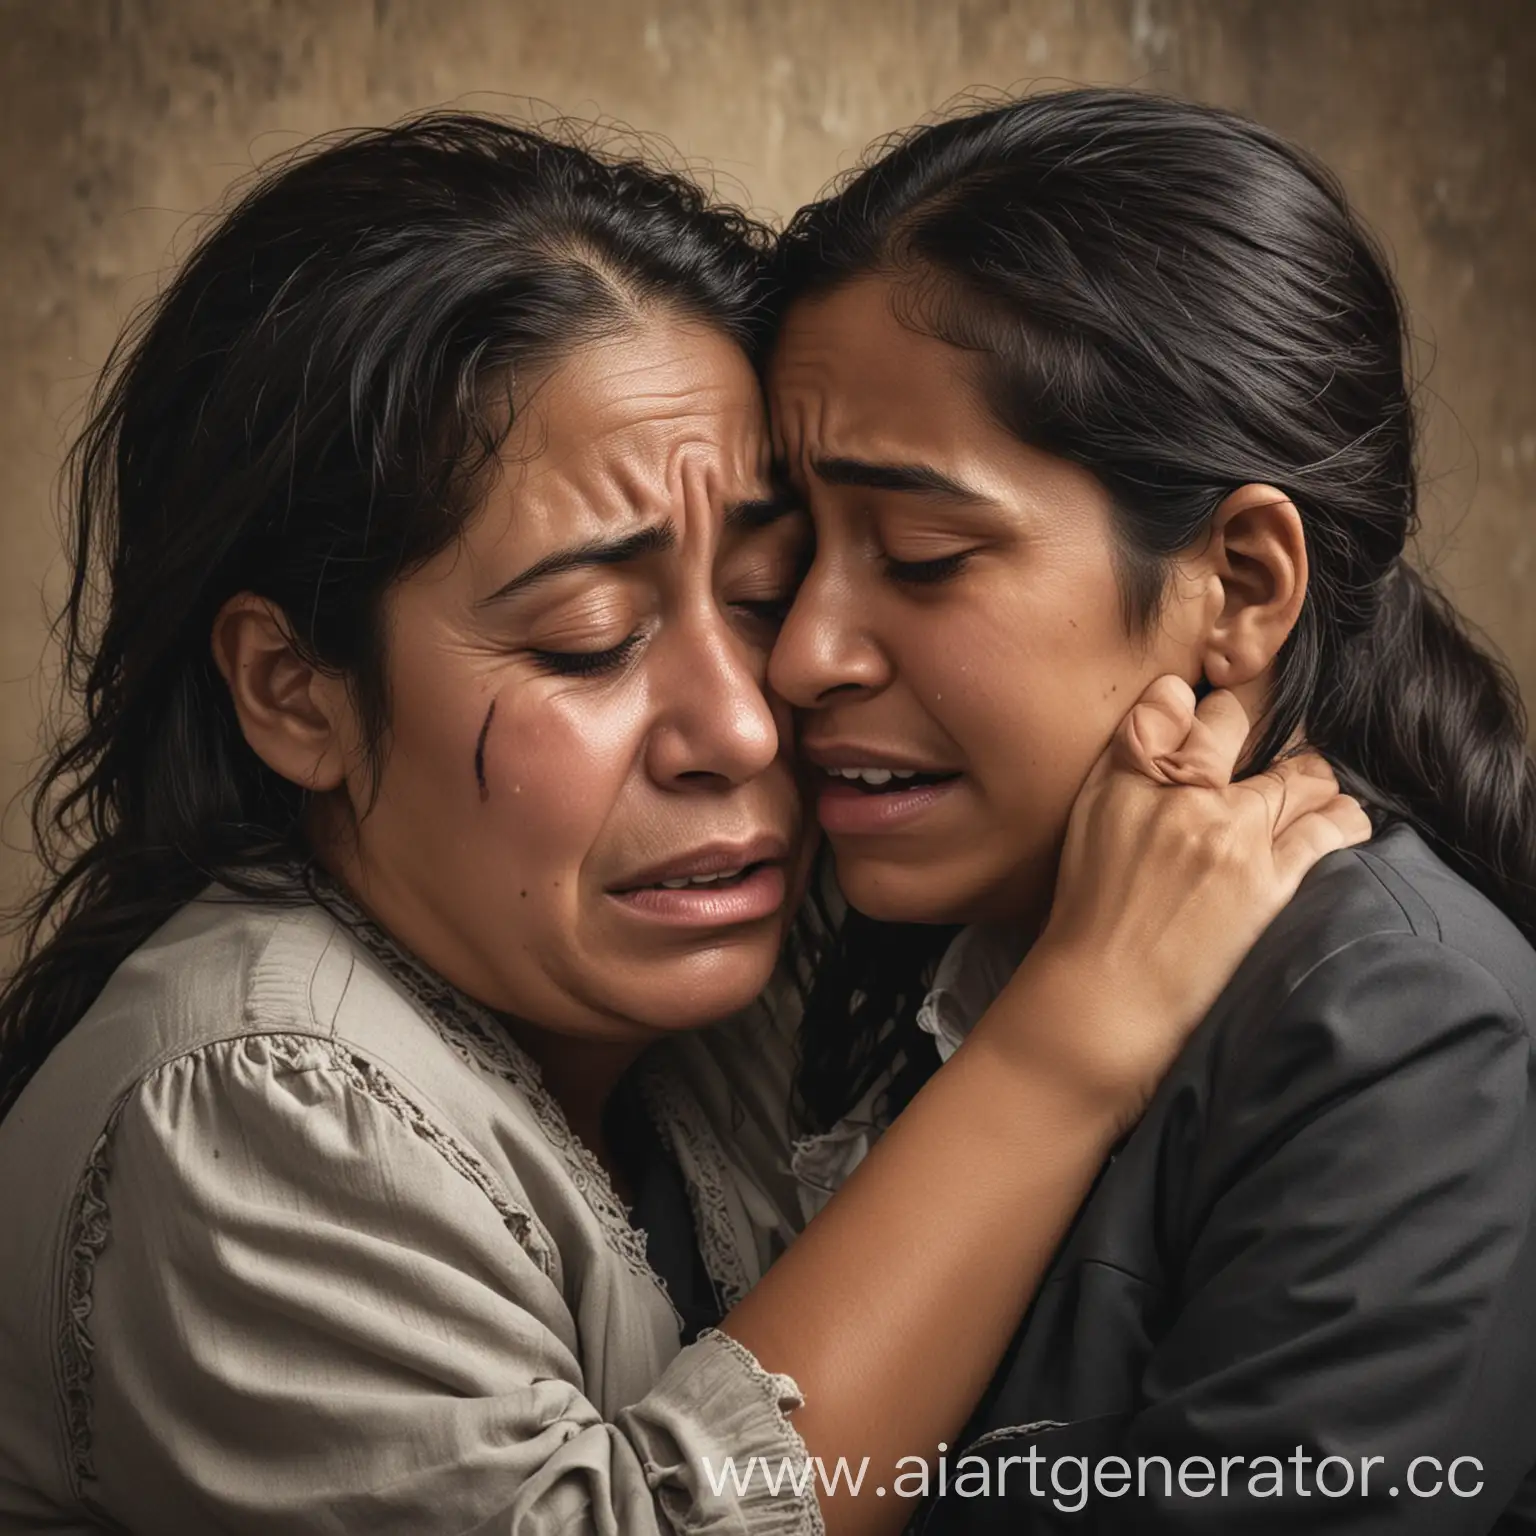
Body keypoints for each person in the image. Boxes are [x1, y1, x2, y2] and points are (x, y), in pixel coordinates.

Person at [0, 114, 1362, 1536]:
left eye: (765, 593)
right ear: (297, 693)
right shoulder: (250, 1107)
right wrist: (1068, 1043)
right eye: (590, 641)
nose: (748, 725)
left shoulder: (747, 993)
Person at [766, 86, 1536, 1532]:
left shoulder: (1401, 1036)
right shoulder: (889, 947)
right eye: (786, 552)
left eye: (922, 552)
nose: (802, 653)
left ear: (1239, 585)